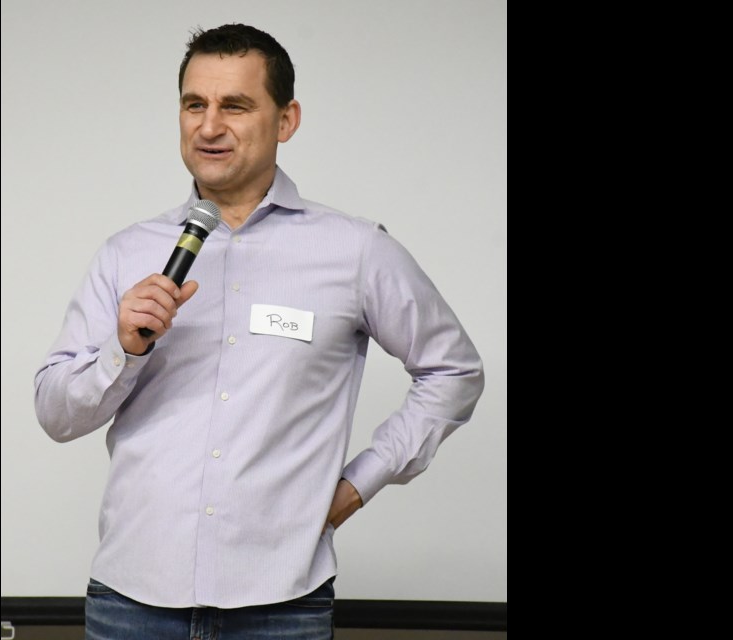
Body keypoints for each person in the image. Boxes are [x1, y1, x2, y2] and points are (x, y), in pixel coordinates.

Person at [34, 23, 484, 640]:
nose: (209, 125)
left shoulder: (353, 251)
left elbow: (453, 370)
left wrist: (359, 484)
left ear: (286, 119)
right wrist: (124, 349)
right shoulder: (127, 253)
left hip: (282, 604)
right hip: (130, 599)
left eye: (235, 106)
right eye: (195, 104)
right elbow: (57, 415)